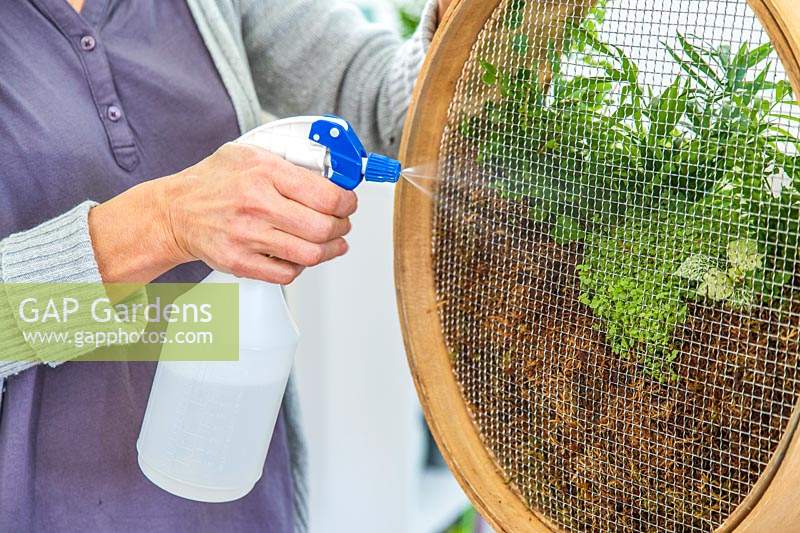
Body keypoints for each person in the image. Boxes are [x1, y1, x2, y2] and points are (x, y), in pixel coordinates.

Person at [0, 0, 452, 531]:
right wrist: (163, 223)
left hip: (235, 495)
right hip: (48, 507)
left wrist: (461, 29)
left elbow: (379, 100)